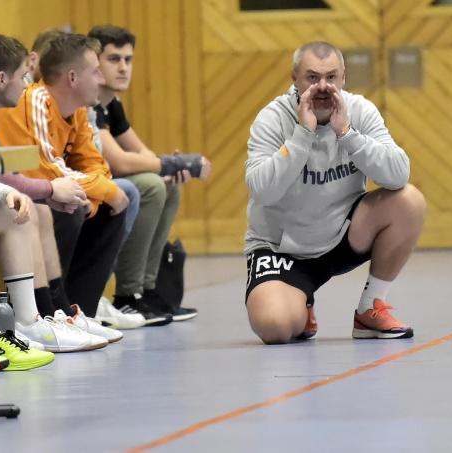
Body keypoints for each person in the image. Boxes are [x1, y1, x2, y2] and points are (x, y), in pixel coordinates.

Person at [244, 41, 426, 344]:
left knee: (409, 200)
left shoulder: (359, 111)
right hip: (283, 249)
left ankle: (370, 309)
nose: (323, 87)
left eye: (331, 77)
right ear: (295, 79)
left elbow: (398, 173)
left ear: (344, 78)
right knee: (275, 327)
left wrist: (347, 135)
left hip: (343, 234)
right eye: (312, 78)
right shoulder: (272, 119)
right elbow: (262, 191)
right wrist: (303, 134)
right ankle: (301, 302)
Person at [0, 33, 128, 319]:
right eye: (95, 72)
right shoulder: (36, 101)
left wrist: (99, 195)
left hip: (51, 191)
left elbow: (95, 162)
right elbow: (45, 171)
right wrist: (103, 192)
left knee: (105, 205)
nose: (101, 79)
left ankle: (81, 312)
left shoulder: (78, 109)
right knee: (75, 206)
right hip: (22, 195)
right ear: (72, 77)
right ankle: (53, 311)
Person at [88, 25, 212, 323]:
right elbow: (118, 161)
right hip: (86, 183)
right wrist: (171, 165)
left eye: (128, 60)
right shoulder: (91, 104)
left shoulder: (112, 104)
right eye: (114, 59)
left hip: (104, 181)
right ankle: (128, 295)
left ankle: (147, 288)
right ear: (95, 61)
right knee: (151, 185)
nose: (123, 68)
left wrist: (171, 168)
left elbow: (142, 154)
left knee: (166, 186)